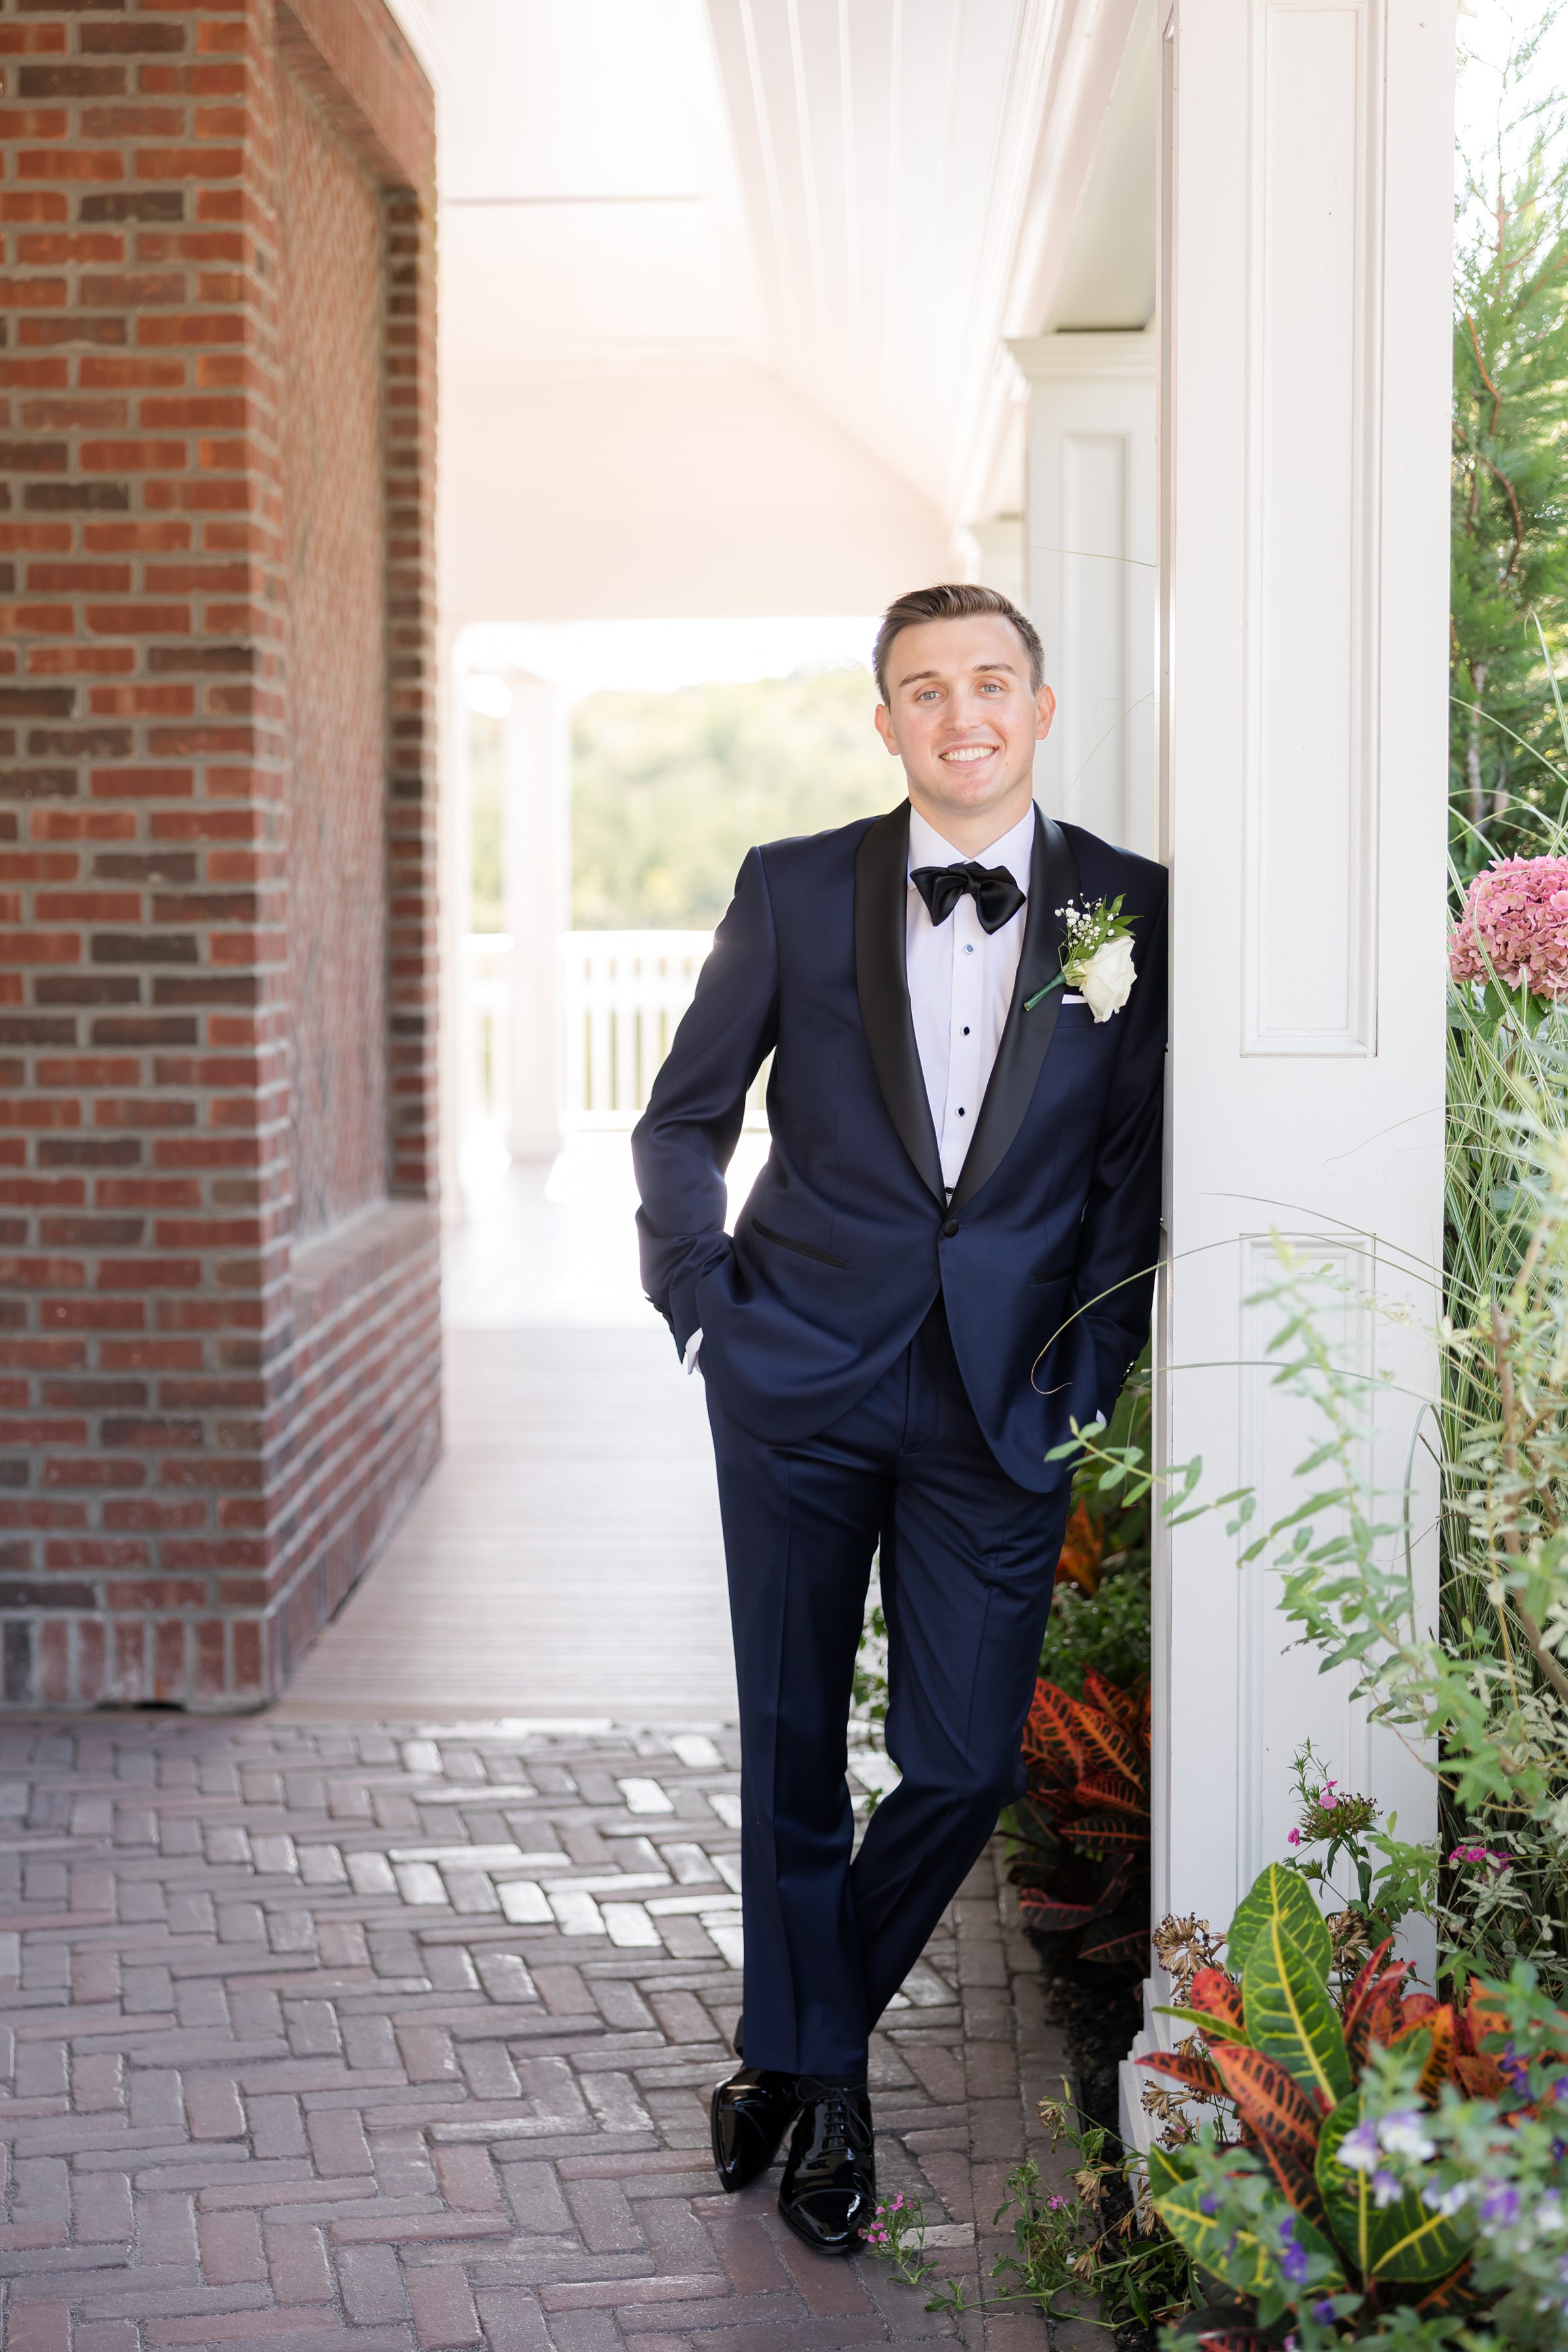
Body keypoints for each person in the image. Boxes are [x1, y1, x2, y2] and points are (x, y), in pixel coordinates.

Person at [631, 582, 1166, 2255]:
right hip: (795, 1377)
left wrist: (1090, 1375)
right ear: (886, 724)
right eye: (924, 691)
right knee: (792, 1749)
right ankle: (834, 2091)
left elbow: (1129, 1180)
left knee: (961, 1761)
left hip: (1000, 1403)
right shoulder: (791, 891)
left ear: (1040, 707)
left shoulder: (1128, 913)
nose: (963, 715)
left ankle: (795, 2043)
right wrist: (706, 1305)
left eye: (991, 683)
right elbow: (681, 1122)